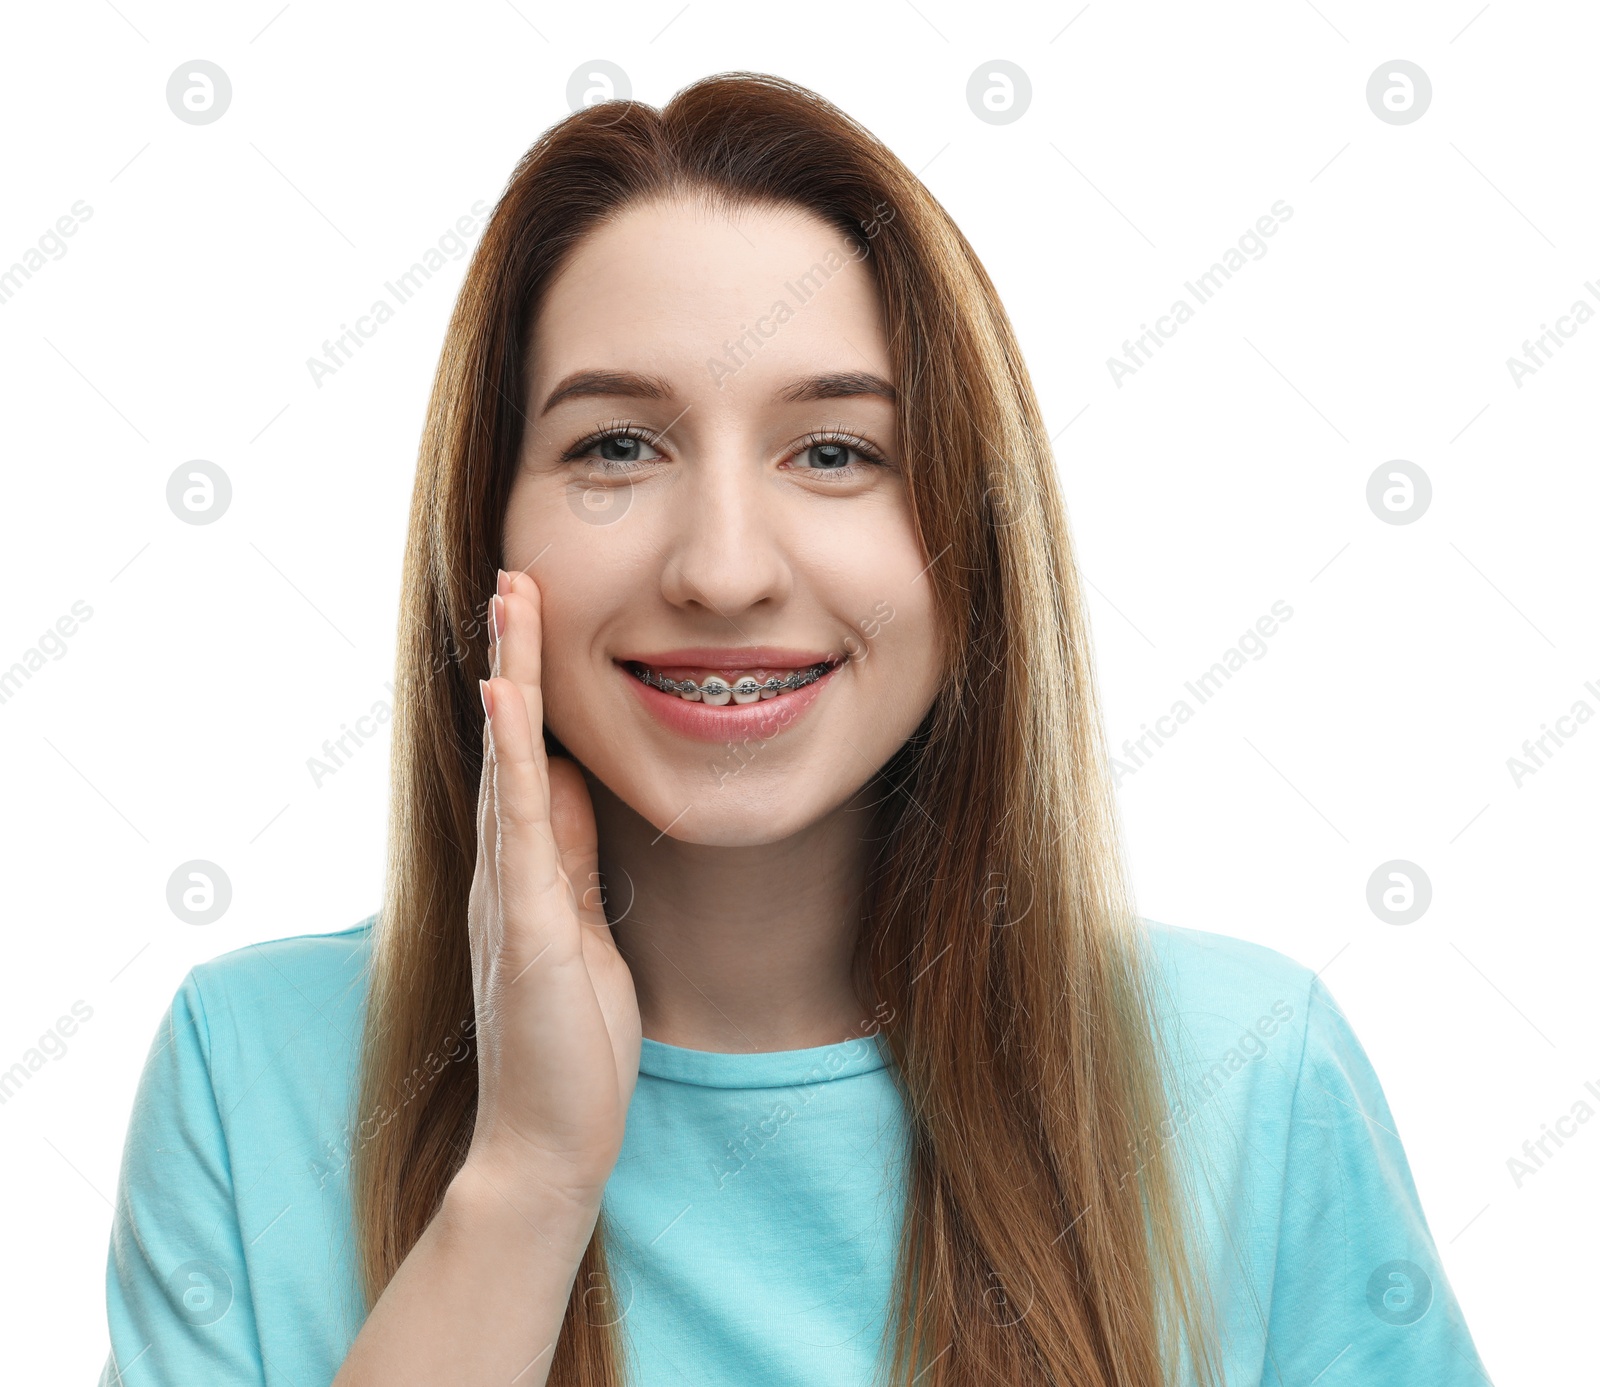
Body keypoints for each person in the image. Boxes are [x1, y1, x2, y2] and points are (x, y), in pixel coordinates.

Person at [98, 73, 1492, 1386]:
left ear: (969, 541)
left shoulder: (1247, 1067)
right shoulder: (251, 1069)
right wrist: (525, 1176)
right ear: (489, 535)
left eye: (834, 452)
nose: (722, 569)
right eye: (615, 447)